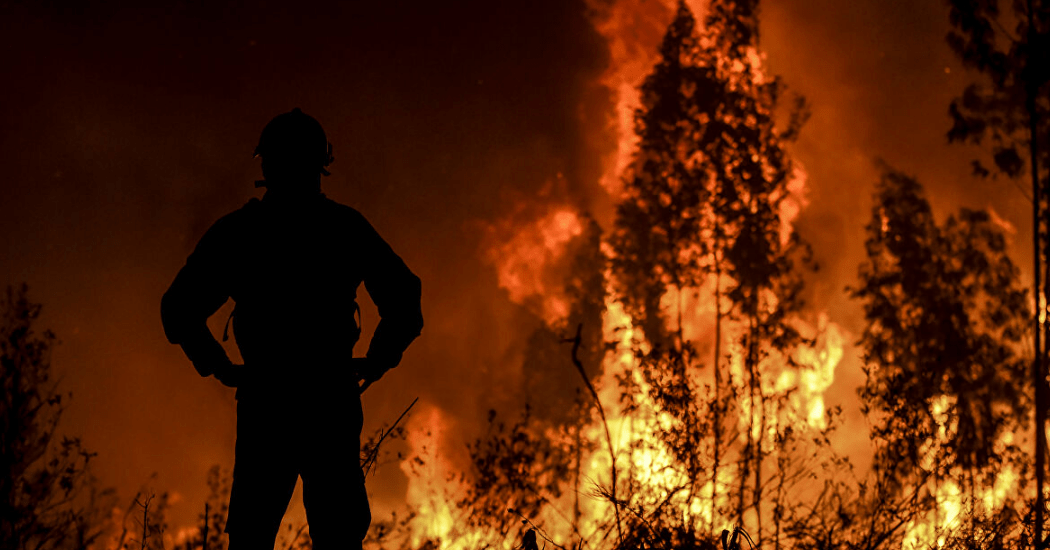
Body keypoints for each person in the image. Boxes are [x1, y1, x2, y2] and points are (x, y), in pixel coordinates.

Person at [161, 108, 423, 550]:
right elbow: (404, 299)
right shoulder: (343, 227)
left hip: (269, 402)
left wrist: (222, 367)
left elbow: (179, 309)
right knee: (336, 536)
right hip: (328, 400)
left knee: (252, 535)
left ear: (266, 163)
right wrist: (377, 361)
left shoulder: (241, 233)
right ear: (320, 163)